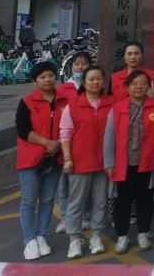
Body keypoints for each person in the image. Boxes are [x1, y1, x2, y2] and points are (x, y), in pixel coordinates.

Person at [103, 70, 154, 254]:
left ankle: (143, 233)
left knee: (145, 200)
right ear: (127, 87)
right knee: (121, 201)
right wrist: (109, 162)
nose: (139, 87)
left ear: (149, 86)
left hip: (147, 162)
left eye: (143, 83)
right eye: (134, 83)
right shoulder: (117, 108)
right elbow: (109, 137)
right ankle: (122, 236)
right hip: (122, 164)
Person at [59, 66, 114, 259]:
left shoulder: (112, 103)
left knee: (100, 202)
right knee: (76, 203)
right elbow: (65, 133)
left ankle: (96, 237)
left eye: (99, 79)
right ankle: (74, 240)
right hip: (80, 162)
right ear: (84, 82)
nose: (95, 82)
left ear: (104, 82)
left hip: (105, 163)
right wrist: (67, 158)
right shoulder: (73, 105)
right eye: (91, 79)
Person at [15, 61, 67, 260]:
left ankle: (41, 236)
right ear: (34, 81)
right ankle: (29, 240)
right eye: (42, 77)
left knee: (47, 199)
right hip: (31, 158)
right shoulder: (27, 102)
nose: (48, 80)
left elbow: (71, 125)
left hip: (55, 158)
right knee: (29, 200)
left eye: (51, 76)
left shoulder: (65, 101)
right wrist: (47, 143)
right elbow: (23, 130)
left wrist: (59, 143)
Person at [55, 51, 92, 235]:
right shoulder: (63, 89)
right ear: (71, 67)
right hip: (66, 142)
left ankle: (86, 216)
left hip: (87, 142)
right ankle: (65, 216)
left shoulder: (94, 86)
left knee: (88, 183)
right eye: (77, 64)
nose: (80, 67)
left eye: (84, 64)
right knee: (65, 183)